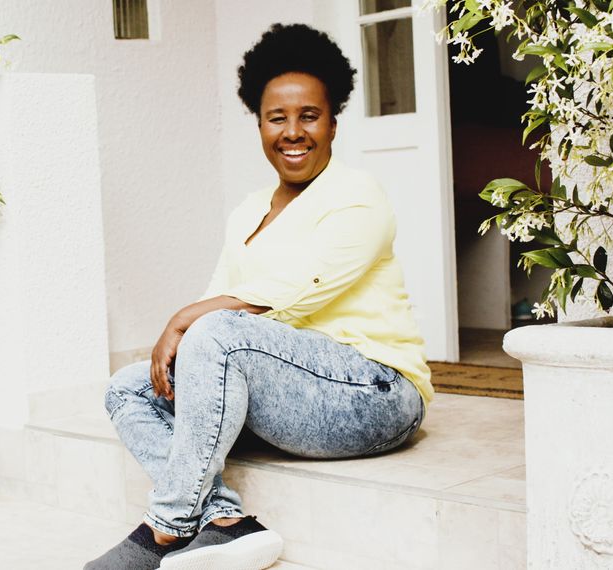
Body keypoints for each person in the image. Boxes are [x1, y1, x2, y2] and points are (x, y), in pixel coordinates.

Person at [85, 23, 432, 570]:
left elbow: (298, 290)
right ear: (260, 125)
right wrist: (187, 334)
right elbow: (219, 303)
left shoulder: (359, 197)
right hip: (288, 392)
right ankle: (227, 520)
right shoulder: (248, 212)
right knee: (127, 388)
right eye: (278, 118)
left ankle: (168, 524)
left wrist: (187, 318)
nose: (293, 132)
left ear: (334, 122)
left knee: (215, 329)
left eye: (309, 116)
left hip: (377, 394)